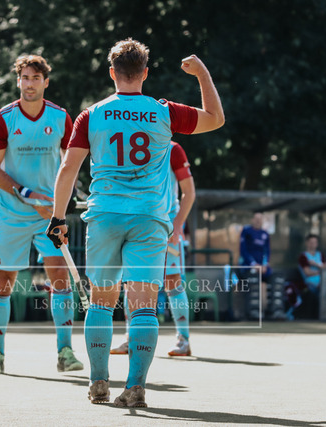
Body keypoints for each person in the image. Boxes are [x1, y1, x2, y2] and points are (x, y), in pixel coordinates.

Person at [46, 38, 224, 407]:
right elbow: (216, 118)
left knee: (100, 303)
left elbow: (68, 168)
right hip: (149, 219)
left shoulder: (91, 115)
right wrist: (201, 73)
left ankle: (98, 382)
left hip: (105, 216)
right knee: (143, 306)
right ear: (145, 73)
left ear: (112, 73)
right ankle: (136, 387)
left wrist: (58, 217)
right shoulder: (163, 112)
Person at [0, 53, 83, 375]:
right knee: (3, 283)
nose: (29, 84)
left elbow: (71, 163)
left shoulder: (61, 117)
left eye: (36, 78)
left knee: (60, 278)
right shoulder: (3, 119)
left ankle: (65, 352)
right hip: (11, 213)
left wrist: (65, 199)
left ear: (45, 82)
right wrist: (28, 195)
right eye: (25, 78)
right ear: (18, 81)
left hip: (49, 215)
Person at [110, 141, 196, 357]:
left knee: (172, 282)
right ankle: (130, 338)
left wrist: (177, 224)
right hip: (136, 225)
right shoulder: (128, 145)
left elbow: (189, 192)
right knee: (131, 282)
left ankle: (183, 340)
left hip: (166, 225)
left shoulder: (174, 149)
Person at [239, 212, 271, 318]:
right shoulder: (246, 231)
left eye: (260, 219)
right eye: (256, 219)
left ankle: (275, 311)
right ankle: (253, 311)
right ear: (252, 220)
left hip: (263, 268)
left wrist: (264, 265)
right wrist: (254, 264)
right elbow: (243, 251)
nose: (258, 221)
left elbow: (267, 251)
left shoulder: (265, 234)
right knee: (253, 278)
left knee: (276, 277)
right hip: (248, 267)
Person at [291, 234, 326, 319]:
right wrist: (321, 270)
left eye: (315, 242)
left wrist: (316, 265)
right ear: (307, 243)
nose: (313, 244)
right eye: (311, 242)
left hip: (323, 281)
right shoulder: (303, 256)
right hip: (310, 283)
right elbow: (307, 272)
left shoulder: (320, 255)